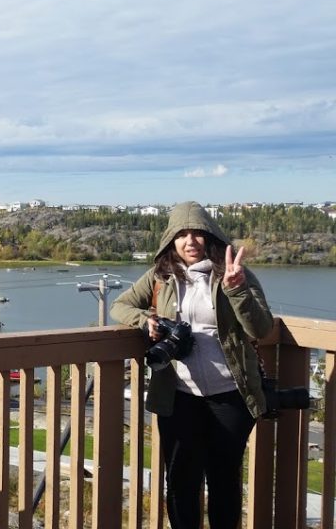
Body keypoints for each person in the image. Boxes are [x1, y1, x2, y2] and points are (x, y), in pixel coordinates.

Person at [110, 201, 273, 529]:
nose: (190, 241)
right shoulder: (160, 276)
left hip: (231, 396)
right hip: (179, 396)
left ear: (210, 236)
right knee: (181, 480)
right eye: (181, 234)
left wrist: (237, 288)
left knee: (224, 481)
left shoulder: (234, 274)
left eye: (197, 233)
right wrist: (145, 319)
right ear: (171, 240)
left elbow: (261, 329)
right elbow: (120, 304)